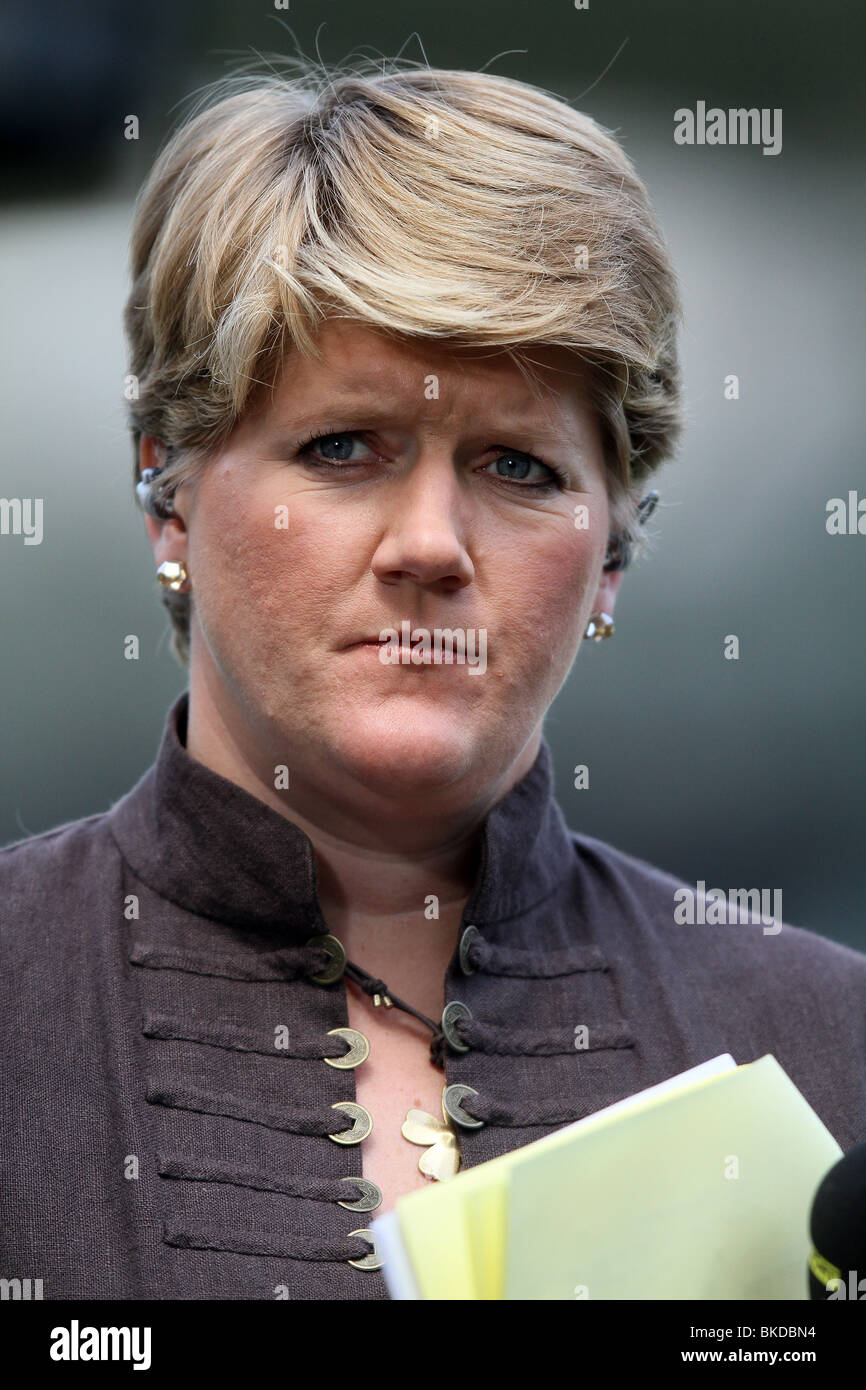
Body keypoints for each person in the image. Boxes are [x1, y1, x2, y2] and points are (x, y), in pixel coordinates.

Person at [2, 58, 865, 1302]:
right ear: (169, 496)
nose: (428, 545)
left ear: (613, 547)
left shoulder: (833, 1051)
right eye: (342, 447)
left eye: (517, 467)